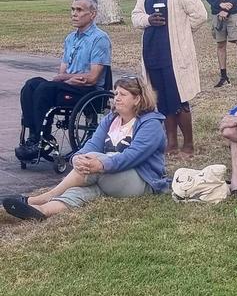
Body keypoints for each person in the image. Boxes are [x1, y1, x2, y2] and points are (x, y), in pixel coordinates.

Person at [3, 76, 167, 220]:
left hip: (141, 180)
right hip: (109, 176)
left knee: (95, 160)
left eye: (123, 95)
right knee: (81, 192)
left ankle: (45, 197)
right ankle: (41, 211)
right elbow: (92, 143)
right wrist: (77, 157)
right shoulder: (111, 119)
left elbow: (132, 156)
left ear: (137, 99)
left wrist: (102, 164)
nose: (116, 98)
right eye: (116, 93)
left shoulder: (150, 124)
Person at [132, 0, 207, 158]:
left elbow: (200, 15)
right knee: (162, 100)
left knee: (179, 99)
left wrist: (181, 32)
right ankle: (171, 143)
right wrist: (148, 19)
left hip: (174, 55)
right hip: (152, 53)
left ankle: (189, 145)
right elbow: (135, 16)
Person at [15, 0, 112, 161]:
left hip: (87, 91)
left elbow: (93, 78)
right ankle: (35, 136)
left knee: (46, 88)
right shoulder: (70, 38)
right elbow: (61, 74)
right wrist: (68, 78)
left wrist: (66, 78)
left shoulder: (99, 39)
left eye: (79, 10)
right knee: (31, 85)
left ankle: (42, 139)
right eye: (73, 9)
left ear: (93, 14)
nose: (74, 13)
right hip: (68, 84)